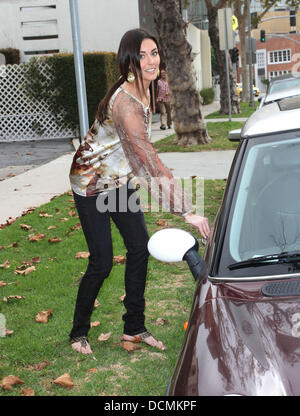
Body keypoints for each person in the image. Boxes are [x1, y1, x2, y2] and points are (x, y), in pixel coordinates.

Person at [68, 28, 210, 355]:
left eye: (154, 53)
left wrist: (171, 92)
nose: (150, 60)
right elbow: (149, 161)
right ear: (129, 62)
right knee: (102, 262)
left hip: (117, 180)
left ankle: (134, 328)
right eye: (142, 55)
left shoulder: (152, 84)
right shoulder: (125, 107)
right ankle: (78, 333)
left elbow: (163, 97)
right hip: (91, 182)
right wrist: (184, 210)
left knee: (139, 249)